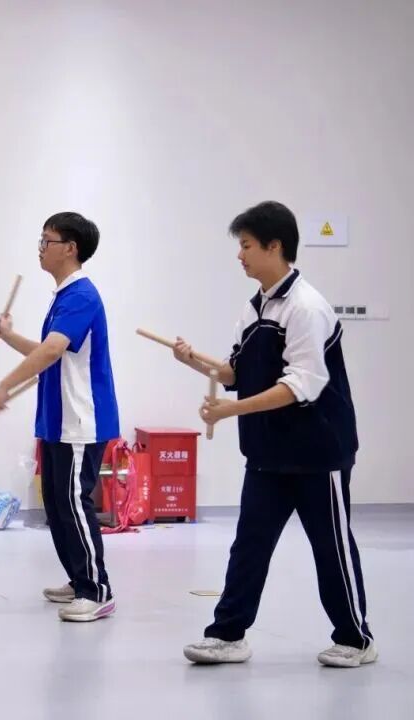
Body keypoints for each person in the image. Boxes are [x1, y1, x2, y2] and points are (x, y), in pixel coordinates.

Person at [179, 201, 374, 668]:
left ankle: (356, 639)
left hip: (318, 453)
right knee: (249, 545)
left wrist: (230, 410)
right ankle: (227, 635)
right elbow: (236, 372)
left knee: (331, 548)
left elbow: (300, 384)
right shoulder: (255, 308)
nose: (240, 255)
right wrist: (195, 360)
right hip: (268, 452)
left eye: (246, 246)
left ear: (274, 246)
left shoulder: (307, 308)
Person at [0, 211, 119, 622]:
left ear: (70, 248)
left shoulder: (81, 295)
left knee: (74, 502)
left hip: (81, 419)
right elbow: (49, 350)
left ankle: (97, 590)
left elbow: (50, 351)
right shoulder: (64, 296)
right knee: (58, 504)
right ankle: (79, 580)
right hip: (58, 420)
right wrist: (9, 337)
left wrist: (4, 385)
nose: (41, 248)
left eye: (47, 240)